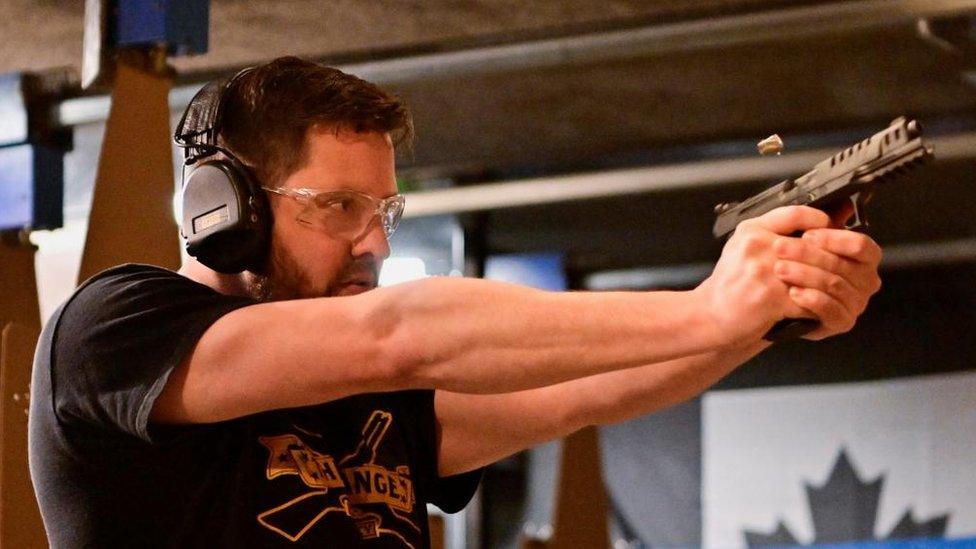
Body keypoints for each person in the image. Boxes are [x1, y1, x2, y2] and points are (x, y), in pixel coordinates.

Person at [28, 56, 882, 548]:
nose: (375, 241)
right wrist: (708, 308)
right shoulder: (118, 332)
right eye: (339, 208)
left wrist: (773, 312)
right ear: (228, 209)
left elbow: (590, 388)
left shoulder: (370, 397)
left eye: (384, 210)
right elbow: (396, 334)